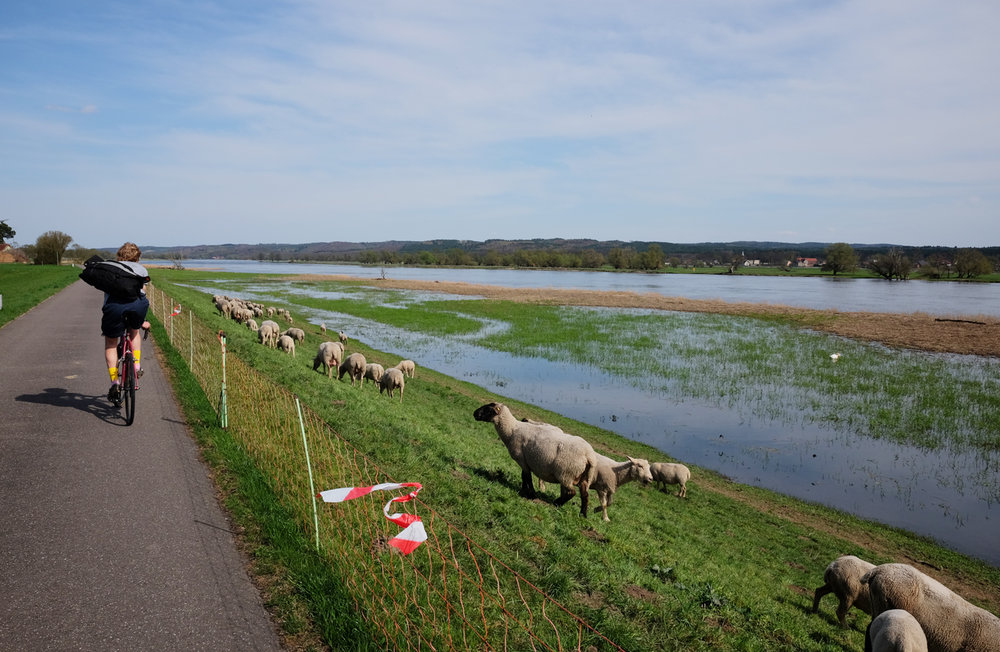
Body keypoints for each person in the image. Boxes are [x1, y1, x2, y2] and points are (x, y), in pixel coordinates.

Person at [102, 242, 151, 404]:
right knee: (134, 331)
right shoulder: (141, 269)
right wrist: (142, 320)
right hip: (137, 306)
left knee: (110, 343)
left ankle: (115, 382)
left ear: (119, 255)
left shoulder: (110, 268)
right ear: (137, 257)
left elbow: (106, 294)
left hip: (114, 308)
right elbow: (142, 293)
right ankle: (136, 366)